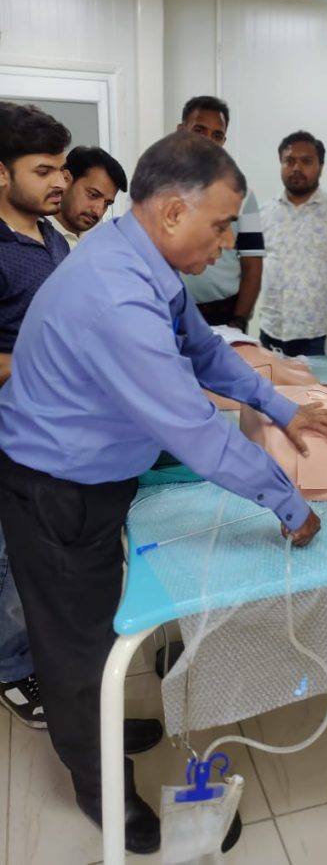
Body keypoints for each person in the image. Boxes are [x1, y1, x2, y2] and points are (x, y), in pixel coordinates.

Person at [0, 129, 327, 854]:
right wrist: (289, 503)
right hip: (54, 492)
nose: (228, 243)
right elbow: (194, 428)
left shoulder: (140, 260)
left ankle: (99, 725)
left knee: (95, 629)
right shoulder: (118, 297)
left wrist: (282, 408)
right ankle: (101, 790)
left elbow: (204, 349)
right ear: (172, 213)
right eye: (220, 225)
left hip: (90, 481)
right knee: (73, 649)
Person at [0, 102, 71, 729]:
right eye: (44, 170)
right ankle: (12, 672)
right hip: (6, 430)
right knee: (6, 559)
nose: (61, 182)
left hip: (46, 432)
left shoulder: (51, 239)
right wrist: (42, 359)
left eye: (63, 169)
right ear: (2, 174)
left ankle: (39, 655)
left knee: (35, 556)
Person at [259, 130, 327, 357]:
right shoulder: (264, 213)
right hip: (270, 331)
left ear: (320, 167)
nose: (296, 168)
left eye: (306, 161)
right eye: (289, 161)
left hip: (316, 338)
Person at [177, 95, 263, 332]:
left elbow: (252, 265)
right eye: (199, 130)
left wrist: (238, 322)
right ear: (181, 131)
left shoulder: (243, 195)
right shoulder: (157, 189)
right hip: (168, 314)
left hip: (222, 316)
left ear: (223, 141)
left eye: (217, 135)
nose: (208, 140)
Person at [51, 145, 128, 248]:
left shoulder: (100, 244)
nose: (98, 211)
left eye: (107, 203)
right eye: (93, 195)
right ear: (65, 179)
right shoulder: (36, 238)